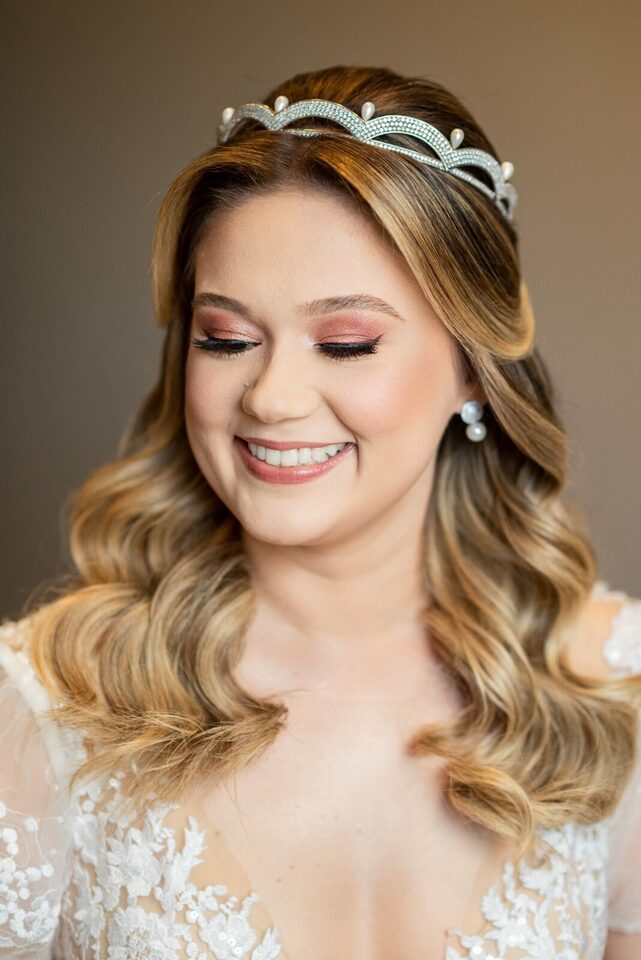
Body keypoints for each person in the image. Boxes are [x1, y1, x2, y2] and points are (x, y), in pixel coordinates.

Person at [0, 64, 639, 960]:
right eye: (226, 338)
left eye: (344, 343)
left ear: (471, 367)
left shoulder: (609, 692)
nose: (270, 396)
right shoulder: (38, 713)